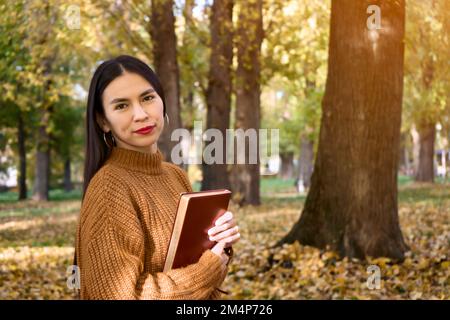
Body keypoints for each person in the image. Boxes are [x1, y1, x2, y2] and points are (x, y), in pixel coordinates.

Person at [74, 55, 240, 299]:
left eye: (147, 98)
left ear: (162, 101)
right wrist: (209, 268)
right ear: (103, 121)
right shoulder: (109, 187)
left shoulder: (175, 176)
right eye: (121, 105)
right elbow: (121, 295)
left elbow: (200, 279)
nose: (140, 114)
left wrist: (220, 247)